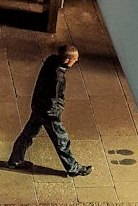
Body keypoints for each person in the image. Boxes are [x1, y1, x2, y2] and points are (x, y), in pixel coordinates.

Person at [8, 43, 92, 176]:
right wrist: (56, 114)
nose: (76, 61)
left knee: (28, 134)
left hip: (38, 107)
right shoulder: (58, 78)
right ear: (66, 60)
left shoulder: (51, 60)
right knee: (61, 140)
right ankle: (73, 168)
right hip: (49, 113)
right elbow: (54, 98)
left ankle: (15, 160)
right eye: (74, 59)